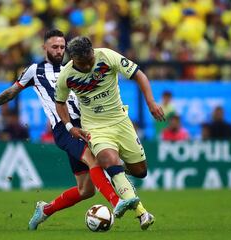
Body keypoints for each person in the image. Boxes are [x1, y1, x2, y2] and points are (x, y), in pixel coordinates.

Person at [0, 30, 138, 230]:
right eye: (54, 47)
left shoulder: (74, 67)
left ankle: (45, 210)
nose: (59, 51)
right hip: (64, 128)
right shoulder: (35, 70)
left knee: (86, 190)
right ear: (44, 48)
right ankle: (115, 201)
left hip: (87, 123)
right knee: (93, 159)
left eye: (62, 47)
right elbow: (11, 92)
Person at [55, 36, 165, 229]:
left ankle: (115, 171)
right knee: (109, 160)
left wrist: (151, 103)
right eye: (83, 63)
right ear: (73, 59)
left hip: (121, 122)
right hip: (95, 128)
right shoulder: (66, 75)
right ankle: (143, 214)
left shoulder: (107, 56)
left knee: (140, 171)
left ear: (92, 51)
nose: (89, 65)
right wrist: (69, 126)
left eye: (90, 60)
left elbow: (139, 75)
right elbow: (60, 103)